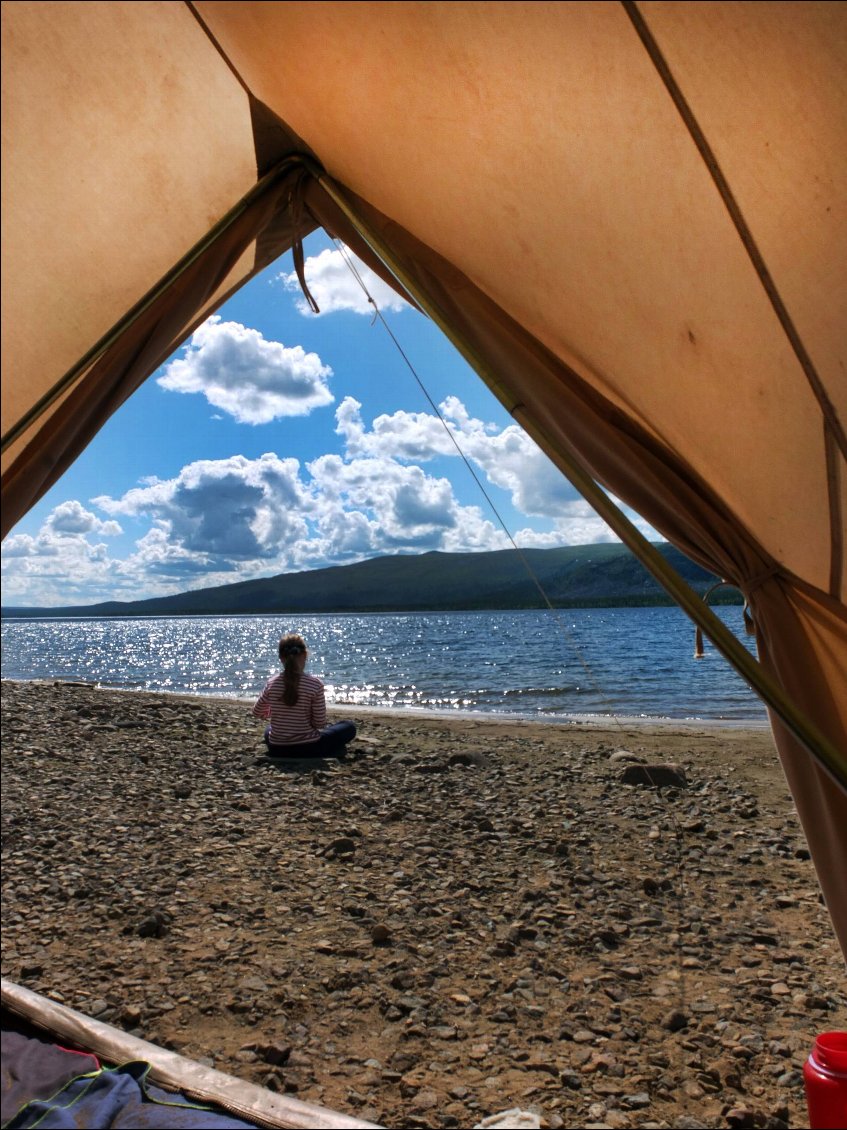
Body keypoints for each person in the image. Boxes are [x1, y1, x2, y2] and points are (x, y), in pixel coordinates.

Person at [252, 633, 357, 758]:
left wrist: (278, 712)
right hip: (308, 748)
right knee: (349, 727)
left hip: (277, 748)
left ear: (280, 657)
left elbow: (257, 712)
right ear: (305, 655)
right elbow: (319, 723)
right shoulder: (315, 684)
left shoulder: (272, 683)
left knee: (269, 729)